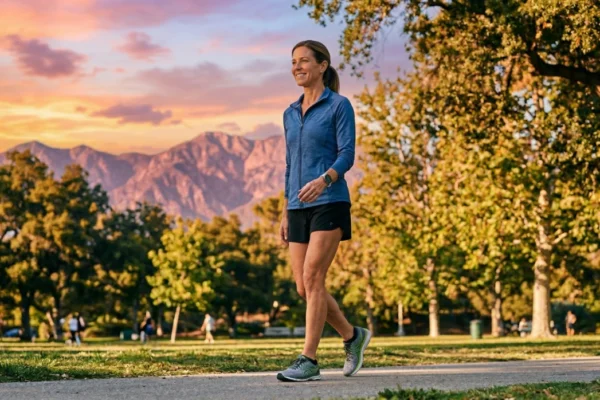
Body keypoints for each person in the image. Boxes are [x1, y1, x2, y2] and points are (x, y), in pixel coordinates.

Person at [277, 40, 370, 382]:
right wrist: (285, 211)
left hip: (330, 200)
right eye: (293, 62)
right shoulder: (289, 112)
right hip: (297, 205)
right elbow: (290, 165)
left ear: (322, 65)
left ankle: (309, 359)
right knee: (303, 287)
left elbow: (347, 155)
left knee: (315, 277)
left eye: (303, 61)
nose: (297, 67)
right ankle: (351, 335)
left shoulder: (338, 105)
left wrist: (325, 179)